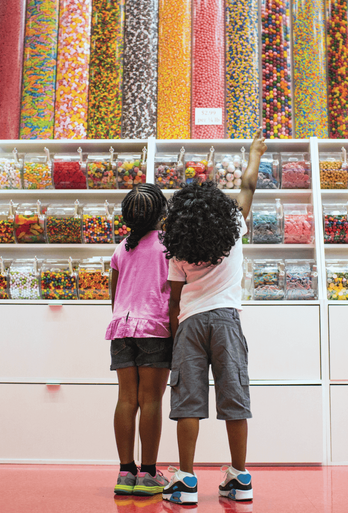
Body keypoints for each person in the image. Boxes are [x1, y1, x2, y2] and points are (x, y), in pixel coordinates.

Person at [159, 131, 268, 505]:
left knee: (188, 402)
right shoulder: (234, 225)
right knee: (234, 397)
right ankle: (239, 476)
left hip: (190, 323)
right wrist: (254, 153)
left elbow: (174, 300)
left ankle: (186, 480)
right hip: (226, 321)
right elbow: (248, 185)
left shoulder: (178, 248)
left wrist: (175, 337)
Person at [106, 183, 172, 496]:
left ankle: (125, 472)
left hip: (121, 328)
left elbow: (114, 296)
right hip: (154, 329)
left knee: (126, 399)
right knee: (151, 400)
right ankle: (148, 473)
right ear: (161, 213)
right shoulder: (167, 246)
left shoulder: (122, 248)